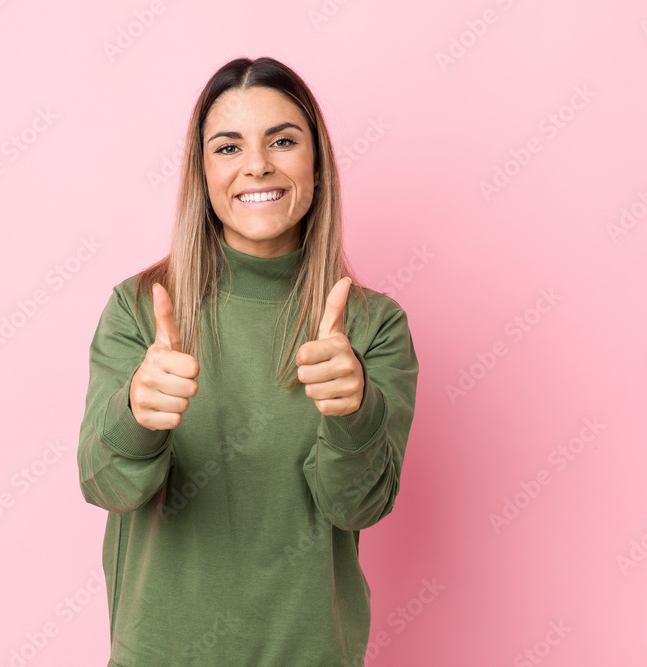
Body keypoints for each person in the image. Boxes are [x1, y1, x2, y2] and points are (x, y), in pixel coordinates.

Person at [76, 55, 419, 666]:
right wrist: (137, 412)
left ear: (317, 165)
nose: (257, 163)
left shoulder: (373, 326)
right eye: (228, 147)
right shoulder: (139, 309)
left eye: (283, 141)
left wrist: (354, 411)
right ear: (202, 173)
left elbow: (359, 505)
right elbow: (105, 485)